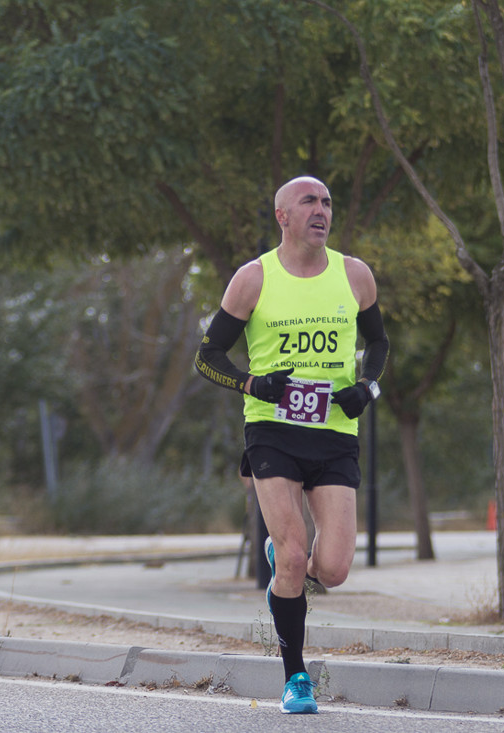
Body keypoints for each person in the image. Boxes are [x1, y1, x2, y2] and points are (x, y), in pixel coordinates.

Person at [195, 176, 388, 713]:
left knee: (333, 569)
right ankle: (296, 678)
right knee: (294, 554)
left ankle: (289, 562)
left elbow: (378, 342)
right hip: (272, 432)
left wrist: (366, 388)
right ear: (283, 216)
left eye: (327, 202)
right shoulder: (253, 279)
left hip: (334, 434)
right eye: (309, 202)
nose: (321, 210)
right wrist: (253, 384)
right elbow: (209, 355)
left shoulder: (355, 275)